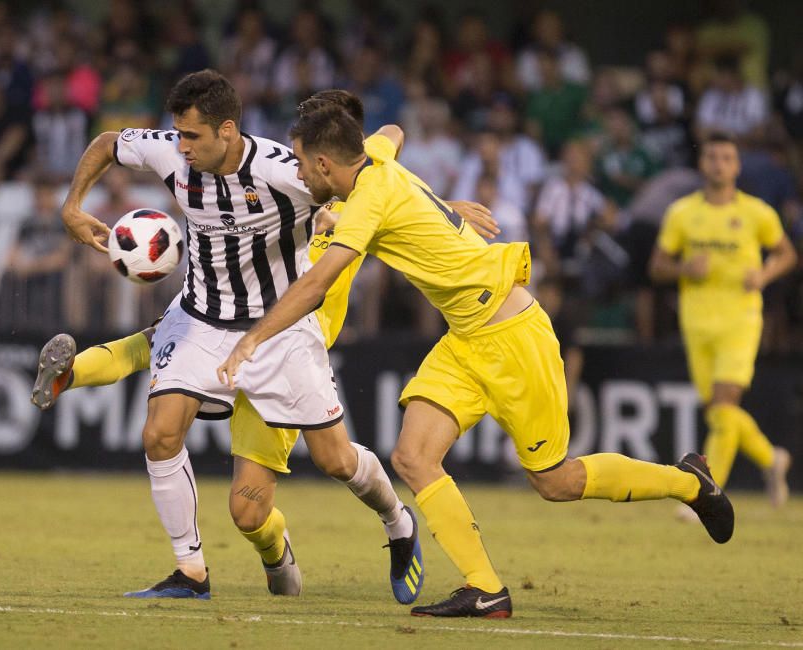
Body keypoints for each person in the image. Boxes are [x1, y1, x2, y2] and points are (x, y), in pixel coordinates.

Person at [217, 104, 735, 619]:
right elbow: (393, 131)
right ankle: (485, 588)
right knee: (413, 457)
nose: (301, 174)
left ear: (327, 165)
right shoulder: (372, 159)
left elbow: (315, 283)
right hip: (466, 336)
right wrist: (438, 206)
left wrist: (252, 340)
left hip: (512, 336)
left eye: (304, 164)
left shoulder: (367, 201)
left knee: (553, 480)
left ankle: (689, 482)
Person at [53, 72, 423, 603]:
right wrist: (72, 205)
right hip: (200, 321)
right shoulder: (173, 156)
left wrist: (417, 212)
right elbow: (108, 144)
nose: (181, 146)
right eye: (177, 134)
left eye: (192, 136)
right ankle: (190, 572)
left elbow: (366, 189)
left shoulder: (280, 170)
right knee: (159, 433)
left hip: (279, 332)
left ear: (227, 130)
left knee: (327, 465)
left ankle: (396, 520)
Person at [649, 133, 796, 507]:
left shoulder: (756, 212)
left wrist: (764, 275)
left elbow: (787, 254)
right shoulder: (682, 212)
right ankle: (772, 458)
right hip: (697, 321)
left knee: (724, 403)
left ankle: (707, 494)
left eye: (727, 158)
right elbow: (657, 266)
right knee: (721, 413)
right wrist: (684, 267)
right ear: (703, 164)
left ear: (737, 166)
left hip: (740, 320)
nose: (718, 163)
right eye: (712, 156)